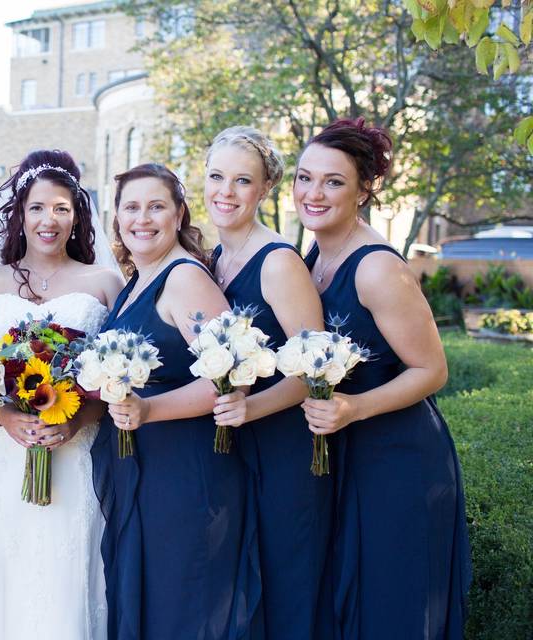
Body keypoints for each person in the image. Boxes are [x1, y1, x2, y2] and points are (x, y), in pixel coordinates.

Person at [297, 118, 471, 639]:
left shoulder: (377, 268)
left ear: (364, 190)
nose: (314, 193)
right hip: (342, 453)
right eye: (306, 177)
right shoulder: (313, 257)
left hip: (395, 458)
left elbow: (432, 369)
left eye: (333, 181)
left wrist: (354, 408)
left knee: (389, 604)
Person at [0, 149, 123, 640]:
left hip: (73, 454)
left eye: (61, 209)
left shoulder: (105, 283)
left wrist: (76, 419)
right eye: (37, 208)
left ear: (77, 215)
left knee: (63, 578)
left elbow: (114, 379)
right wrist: (2, 413)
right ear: (19, 215)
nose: (49, 220)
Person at [92, 164, 259, 640]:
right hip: (143, 470)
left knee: (182, 603)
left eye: (156, 206)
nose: (142, 219)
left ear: (179, 213)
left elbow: (230, 378)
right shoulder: (137, 281)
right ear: (117, 216)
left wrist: (149, 410)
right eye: (131, 207)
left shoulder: (184, 278)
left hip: (183, 473)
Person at [206, 126, 333, 639]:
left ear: (264, 190)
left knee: (285, 581)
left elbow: (316, 368)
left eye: (242, 180)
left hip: (283, 448)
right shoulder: (212, 260)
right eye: (217, 176)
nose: (226, 191)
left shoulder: (278, 262)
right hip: (234, 448)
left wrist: (251, 409)